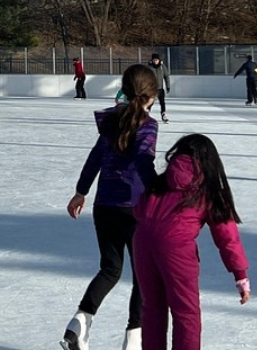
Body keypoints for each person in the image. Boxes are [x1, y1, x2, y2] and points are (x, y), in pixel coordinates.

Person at [61, 64, 162, 350]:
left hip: (104, 206)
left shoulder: (110, 121)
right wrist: (161, 193)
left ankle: (79, 321)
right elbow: (143, 163)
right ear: (150, 95)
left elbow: (94, 158)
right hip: (134, 209)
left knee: (109, 269)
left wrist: (80, 192)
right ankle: (133, 339)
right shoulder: (148, 124)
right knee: (143, 274)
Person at [133, 133, 251, 350]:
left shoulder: (160, 182)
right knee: (186, 312)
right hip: (175, 248)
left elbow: (139, 209)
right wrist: (240, 275)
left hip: (141, 242)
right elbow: (227, 237)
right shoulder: (208, 189)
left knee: (152, 308)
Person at [147, 53, 172, 123]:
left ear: (159, 60)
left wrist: (168, 86)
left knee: (162, 102)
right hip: (151, 89)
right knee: (150, 102)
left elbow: (166, 76)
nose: (155, 61)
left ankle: (163, 114)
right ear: (152, 60)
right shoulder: (149, 67)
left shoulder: (162, 67)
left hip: (160, 88)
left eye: (156, 60)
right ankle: (146, 114)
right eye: (154, 60)